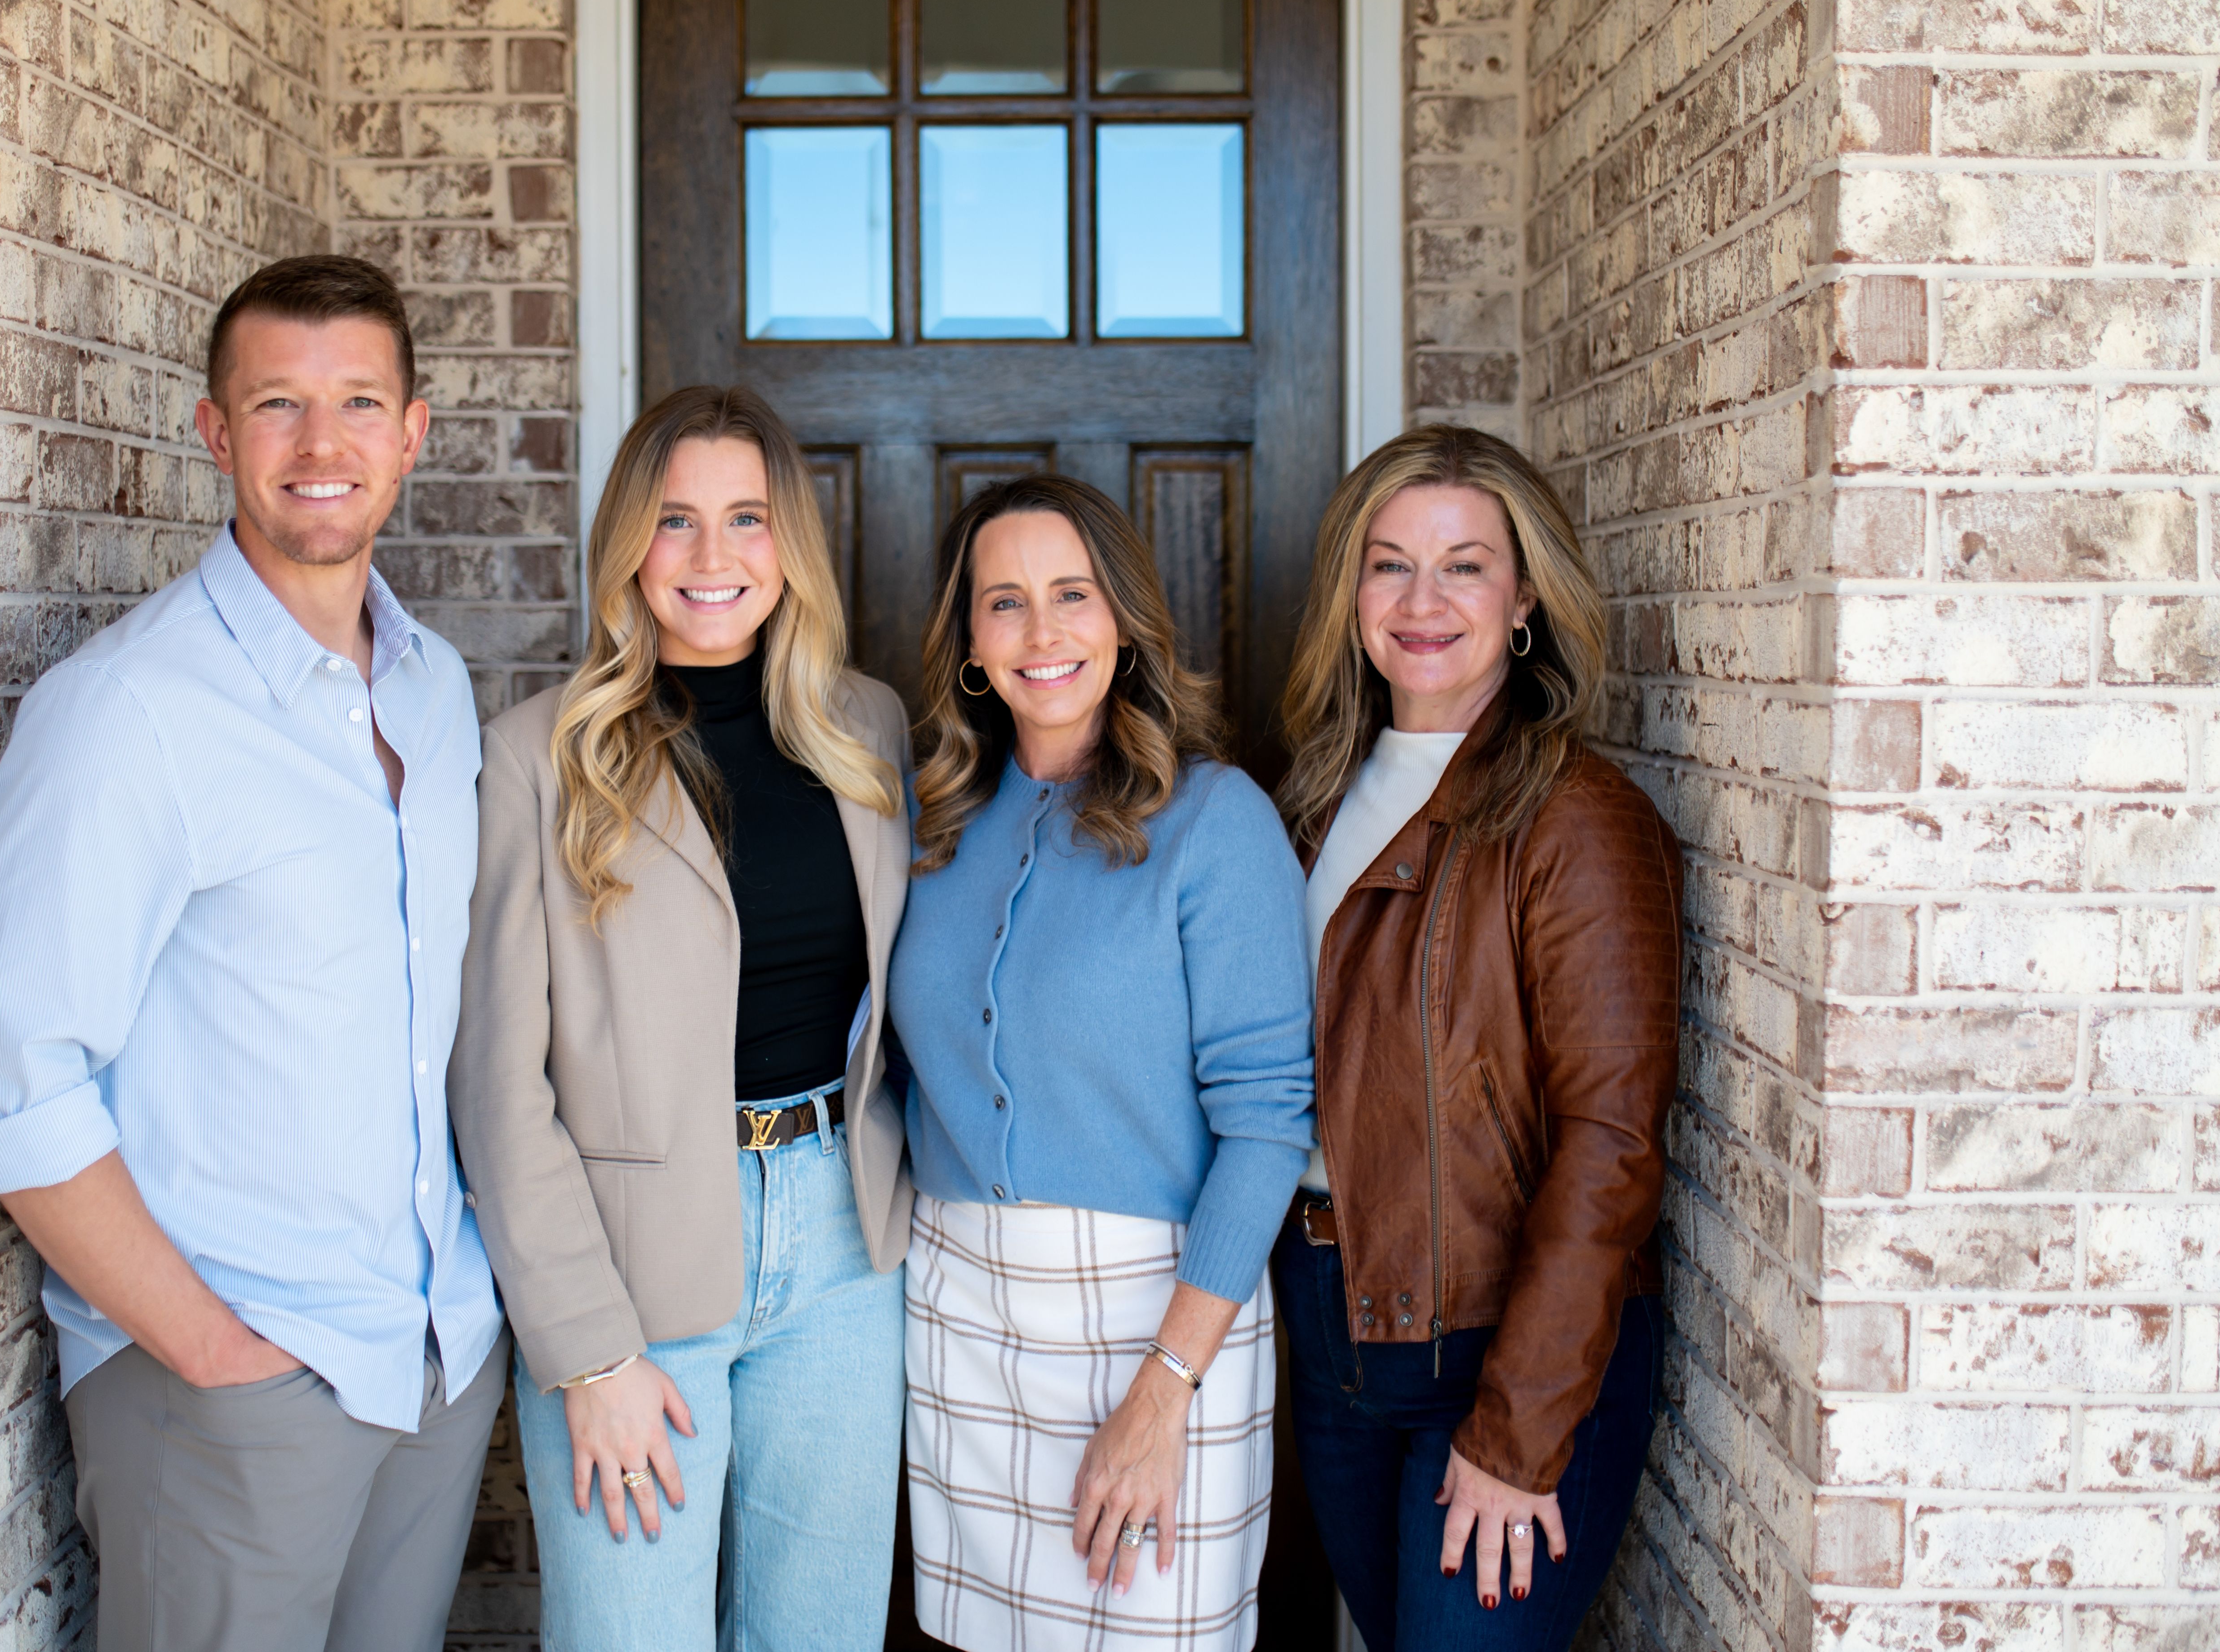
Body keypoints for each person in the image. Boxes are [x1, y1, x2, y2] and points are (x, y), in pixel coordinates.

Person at [0, 255, 508, 1652]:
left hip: (432, 1362)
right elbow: (11, 1089)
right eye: (278, 407)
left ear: (414, 433)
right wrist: (212, 1355)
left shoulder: (435, 689)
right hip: (232, 1391)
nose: (324, 447)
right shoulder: (127, 710)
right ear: (215, 432)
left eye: (360, 403)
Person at [450, 385, 913, 1652]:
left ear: (791, 544)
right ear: (628, 548)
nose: (714, 559)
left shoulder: (866, 731)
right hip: (632, 1266)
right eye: (676, 522)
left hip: (841, 1250)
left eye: (748, 519)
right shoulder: (534, 758)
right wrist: (590, 1356)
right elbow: (497, 1088)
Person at [885, 475, 1314, 1652]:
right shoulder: (925, 828)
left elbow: (1270, 1121)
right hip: (961, 1315)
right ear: (969, 643)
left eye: (1073, 595)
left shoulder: (1214, 823)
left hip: (1162, 1325)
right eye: (1005, 603)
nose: (1043, 632)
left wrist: (1165, 1386)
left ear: (1123, 621)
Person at [1271, 425, 1682, 1649]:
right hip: (1334, 1314)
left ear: (1523, 602)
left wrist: (1519, 1427)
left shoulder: (1578, 818)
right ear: (1351, 597)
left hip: (1496, 1350)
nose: (1423, 601)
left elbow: (1609, 1148)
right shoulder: (1311, 796)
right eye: (1389, 565)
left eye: (1463, 566)